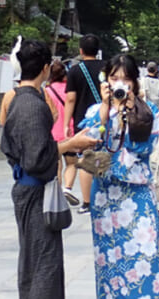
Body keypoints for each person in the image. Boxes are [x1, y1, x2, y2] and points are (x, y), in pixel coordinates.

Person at [2, 38, 97, 299]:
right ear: (45, 68)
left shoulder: (17, 100)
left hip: (25, 186)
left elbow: (7, 144)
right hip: (34, 191)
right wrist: (71, 143)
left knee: (33, 259)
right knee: (45, 261)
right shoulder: (32, 105)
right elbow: (37, 157)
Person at [79, 54, 159, 297]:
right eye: (114, 78)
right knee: (109, 260)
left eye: (126, 80)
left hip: (137, 192)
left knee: (145, 255)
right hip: (105, 194)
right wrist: (106, 110)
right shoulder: (97, 110)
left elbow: (144, 148)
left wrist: (130, 115)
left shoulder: (149, 111)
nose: (120, 85)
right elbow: (89, 144)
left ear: (135, 83)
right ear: (105, 82)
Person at [64, 34, 104, 213]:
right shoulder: (106, 68)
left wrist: (66, 123)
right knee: (104, 155)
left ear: (81, 51)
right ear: (98, 50)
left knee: (86, 158)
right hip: (105, 116)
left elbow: (71, 99)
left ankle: (87, 202)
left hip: (84, 120)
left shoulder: (75, 70)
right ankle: (104, 197)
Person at [45, 59, 80, 206]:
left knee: (56, 164)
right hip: (69, 131)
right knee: (72, 163)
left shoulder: (46, 91)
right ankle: (68, 188)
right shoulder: (70, 90)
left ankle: (57, 193)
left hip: (52, 132)